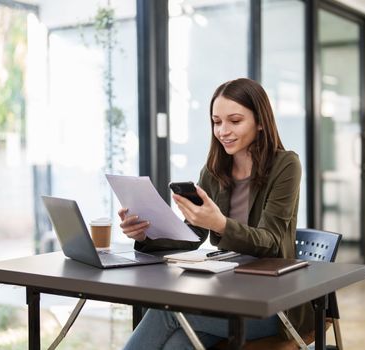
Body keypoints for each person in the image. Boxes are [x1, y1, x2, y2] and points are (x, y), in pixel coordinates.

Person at [118, 78, 314, 349]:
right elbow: (191, 236)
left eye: (234, 121)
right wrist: (147, 231)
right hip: (226, 292)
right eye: (216, 121)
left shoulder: (286, 164)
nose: (223, 130)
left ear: (260, 122)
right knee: (179, 344)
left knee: (166, 311)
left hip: (273, 305)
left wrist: (220, 224)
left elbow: (269, 241)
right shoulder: (213, 170)